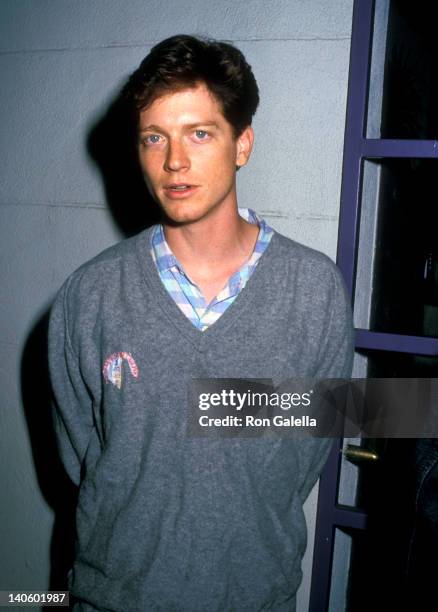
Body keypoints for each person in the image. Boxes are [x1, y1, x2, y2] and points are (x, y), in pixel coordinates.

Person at [48, 35, 354, 611]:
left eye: (200, 133)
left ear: (243, 144)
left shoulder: (315, 293)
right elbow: (84, 455)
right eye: (154, 138)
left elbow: (303, 460)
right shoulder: (89, 295)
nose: (174, 162)